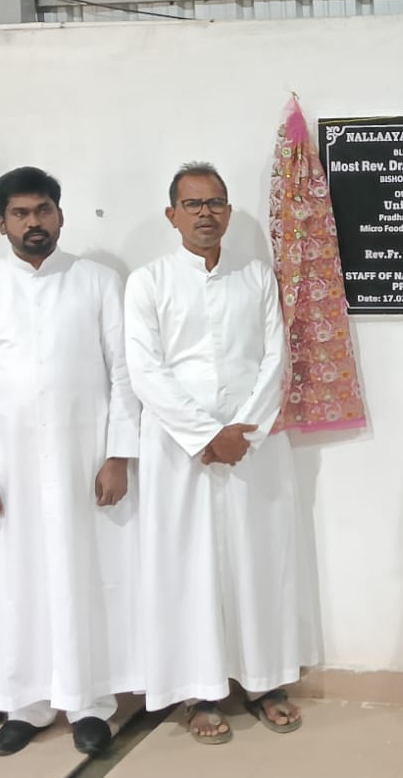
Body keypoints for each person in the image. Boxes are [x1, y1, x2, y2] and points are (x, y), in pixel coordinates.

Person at [0, 166, 141, 757]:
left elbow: (124, 374)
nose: (35, 222)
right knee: (15, 582)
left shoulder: (98, 281)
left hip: (85, 464)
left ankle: (90, 705)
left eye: (44, 210)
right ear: (2, 222)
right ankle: (25, 705)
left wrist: (119, 455)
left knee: (84, 576)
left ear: (60, 215)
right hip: (4, 469)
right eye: (22, 214)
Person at [125, 163, 319, 743]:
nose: (205, 213)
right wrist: (204, 435)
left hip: (251, 445)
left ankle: (263, 681)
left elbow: (274, 358)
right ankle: (197, 690)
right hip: (179, 448)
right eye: (193, 204)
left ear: (229, 212)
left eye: (215, 203)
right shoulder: (148, 281)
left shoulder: (256, 276)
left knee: (257, 560)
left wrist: (243, 431)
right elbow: (145, 369)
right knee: (187, 567)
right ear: (172, 215)